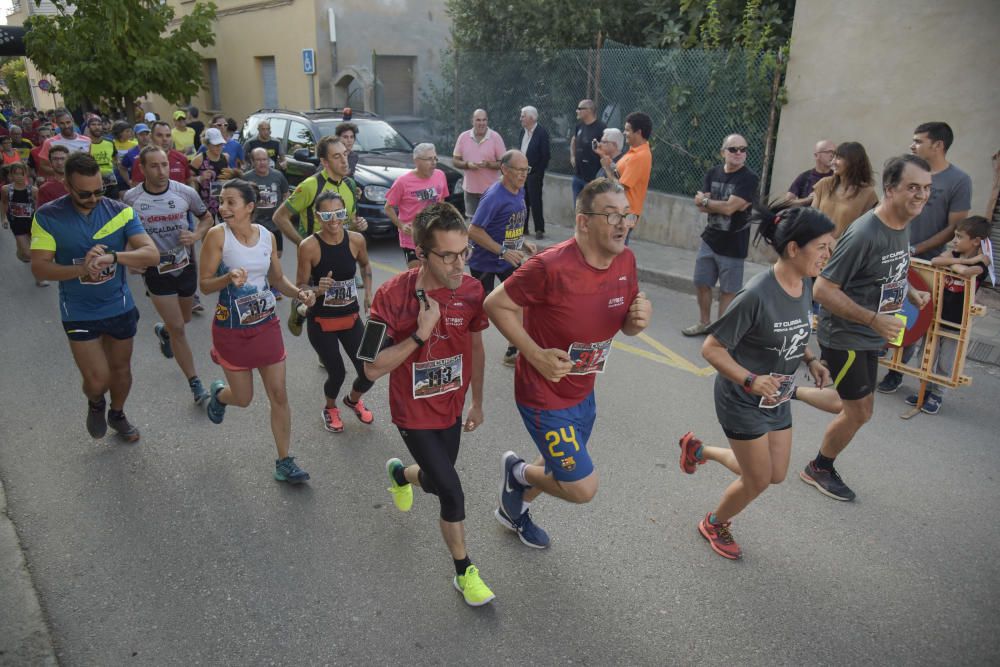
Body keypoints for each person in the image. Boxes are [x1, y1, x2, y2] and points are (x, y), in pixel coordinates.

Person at [484, 178, 651, 548]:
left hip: (583, 389)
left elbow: (625, 320)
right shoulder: (550, 266)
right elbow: (496, 304)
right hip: (543, 395)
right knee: (580, 486)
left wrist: (637, 321)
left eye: (627, 215)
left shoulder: (626, 259)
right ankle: (516, 471)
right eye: (611, 215)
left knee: (555, 466)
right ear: (583, 222)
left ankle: (514, 510)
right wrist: (535, 354)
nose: (622, 224)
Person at [678, 205, 836, 560]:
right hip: (741, 397)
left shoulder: (805, 282)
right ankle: (714, 522)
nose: (828, 254)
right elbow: (712, 348)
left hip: (774, 395)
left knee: (775, 473)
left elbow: (797, 331)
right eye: (823, 246)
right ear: (794, 249)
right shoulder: (756, 295)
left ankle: (699, 451)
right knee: (758, 479)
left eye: (831, 246)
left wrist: (811, 360)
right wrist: (750, 379)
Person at [365, 202, 494, 606]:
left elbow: (475, 345)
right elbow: (370, 369)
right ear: (421, 253)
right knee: (453, 494)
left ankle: (402, 475)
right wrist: (420, 334)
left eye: (464, 253)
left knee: (439, 483)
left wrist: (477, 401)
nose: (460, 265)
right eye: (449, 256)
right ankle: (464, 572)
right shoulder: (389, 297)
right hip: (412, 411)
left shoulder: (472, 291)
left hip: (451, 407)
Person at [803, 155, 933, 502]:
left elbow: (892, 267)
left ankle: (789, 394)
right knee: (859, 410)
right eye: (912, 188)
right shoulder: (864, 233)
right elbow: (822, 289)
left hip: (869, 333)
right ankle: (819, 467)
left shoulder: (903, 222)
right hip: (846, 336)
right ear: (890, 190)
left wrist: (910, 290)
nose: (921, 195)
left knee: (854, 405)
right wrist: (875, 319)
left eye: (926, 188)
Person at [29, 152, 159, 441]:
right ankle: (96, 402)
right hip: (78, 309)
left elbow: (151, 253)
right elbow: (40, 268)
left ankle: (118, 413)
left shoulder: (118, 210)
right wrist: (81, 269)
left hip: (119, 305)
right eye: (85, 193)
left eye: (99, 190)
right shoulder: (48, 216)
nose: (93, 198)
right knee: (98, 379)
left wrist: (114, 257)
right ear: (66, 185)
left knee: (121, 371)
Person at [199, 179, 317, 484]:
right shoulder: (216, 237)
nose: (223, 208)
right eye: (222, 202)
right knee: (244, 398)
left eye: (230, 202)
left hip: (265, 325)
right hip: (232, 329)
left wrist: (299, 293)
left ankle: (284, 461)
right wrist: (227, 279)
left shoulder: (267, 236)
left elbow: (277, 280)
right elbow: (204, 284)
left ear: (250, 207)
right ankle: (220, 397)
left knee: (278, 394)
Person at [878, 122, 973, 394]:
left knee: (927, 321)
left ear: (938, 145)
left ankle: (922, 383)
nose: (912, 145)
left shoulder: (959, 180)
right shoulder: (910, 172)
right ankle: (892, 365)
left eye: (918, 141)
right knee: (898, 314)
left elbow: (955, 227)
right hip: (901, 258)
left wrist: (917, 249)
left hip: (933, 265)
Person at [122, 146, 215, 404]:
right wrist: (131, 256)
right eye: (154, 166)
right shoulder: (131, 199)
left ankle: (164, 331)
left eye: (164, 164)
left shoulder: (184, 192)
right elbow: (124, 233)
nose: (161, 170)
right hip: (156, 269)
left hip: (184, 265)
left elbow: (207, 218)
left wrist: (196, 234)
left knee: (182, 320)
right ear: (142, 168)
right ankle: (195, 383)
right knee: (179, 328)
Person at [295, 191, 376, 432]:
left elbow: (365, 264)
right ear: (318, 216)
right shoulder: (308, 246)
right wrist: (316, 290)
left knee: (370, 370)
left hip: (351, 318)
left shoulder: (356, 240)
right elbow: (300, 287)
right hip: (321, 322)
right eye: (327, 214)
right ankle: (330, 407)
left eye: (339, 213)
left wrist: (368, 294)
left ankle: (352, 400)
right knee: (337, 372)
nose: (334, 220)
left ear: (345, 214)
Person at [906, 216, 992, 414]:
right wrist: (963, 261)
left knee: (946, 362)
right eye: (954, 235)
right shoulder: (953, 253)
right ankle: (924, 389)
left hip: (956, 321)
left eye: (959, 236)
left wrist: (961, 264)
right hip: (935, 317)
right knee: (925, 357)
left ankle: (937, 394)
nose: (954, 240)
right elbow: (936, 260)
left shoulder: (983, 263)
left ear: (976, 241)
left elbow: (968, 272)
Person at [683, 134, 759, 336]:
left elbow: (726, 208)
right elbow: (703, 207)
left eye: (743, 149)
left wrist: (709, 203)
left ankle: (720, 331)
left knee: (728, 290)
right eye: (733, 149)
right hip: (710, 239)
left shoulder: (749, 178)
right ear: (722, 152)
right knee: (701, 282)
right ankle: (704, 323)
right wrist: (719, 205)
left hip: (734, 244)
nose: (739, 153)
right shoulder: (712, 173)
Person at [467, 149, 535, 366]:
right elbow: (474, 230)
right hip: (486, 264)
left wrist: (522, 242)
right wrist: (503, 250)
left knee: (519, 303)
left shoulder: (519, 190)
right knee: (480, 313)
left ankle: (514, 349)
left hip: (509, 261)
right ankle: (451, 342)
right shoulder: (495, 196)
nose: (523, 174)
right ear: (504, 169)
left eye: (527, 170)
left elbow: (508, 223)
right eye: (519, 170)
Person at [273, 136, 367, 246]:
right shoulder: (310, 186)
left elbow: (349, 223)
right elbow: (279, 217)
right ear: (325, 162)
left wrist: (358, 226)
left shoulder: (350, 183)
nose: (344, 161)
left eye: (345, 154)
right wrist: (303, 244)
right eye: (337, 156)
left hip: (343, 252)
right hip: (316, 258)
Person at [384, 142, 449, 270]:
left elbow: (442, 199)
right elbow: (388, 207)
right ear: (417, 161)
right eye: (429, 159)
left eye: (435, 158)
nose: (434, 162)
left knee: (435, 273)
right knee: (417, 276)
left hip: (433, 234)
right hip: (412, 238)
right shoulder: (402, 182)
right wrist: (401, 225)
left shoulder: (440, 175)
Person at [810, 141, 878, 239]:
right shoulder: (824, 184)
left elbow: (867, 231)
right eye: (833, 157)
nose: (833, 162)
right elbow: (810, 217)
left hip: (845, 251)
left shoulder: (868, 194)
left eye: (838, 158)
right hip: (817, 248)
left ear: (852, 161)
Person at [452, 109, 505, 218]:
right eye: (478, 120)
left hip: (490, 192)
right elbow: (455, 161)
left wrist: (488, 165)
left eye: (484, 120)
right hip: (470, 191)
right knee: (473, 223)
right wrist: (467, 165)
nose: (481, 123)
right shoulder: (463, 137)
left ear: (487, 121)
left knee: (489, 223)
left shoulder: (496, 137)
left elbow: (504, 163)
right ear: (472, 121)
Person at [243, 147, 290, 262]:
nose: (262, 163)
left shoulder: (278, 176)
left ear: (269, 161)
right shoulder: (246, 177)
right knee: (257, 255)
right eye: (258, 160)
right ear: (253, 162)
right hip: (255, 224)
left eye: (264, 159)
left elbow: (286, 194)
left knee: (276, 255)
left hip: (275, 224)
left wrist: (284, 212)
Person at [606, 112, 653, 226]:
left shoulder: (639, 156)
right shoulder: (633, 151)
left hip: (625, 214)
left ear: (638, 132)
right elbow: (619, 174)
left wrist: (607, 169)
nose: (624, 133)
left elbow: (620, 188)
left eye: (627, 130)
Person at [1, 162, 44, 284]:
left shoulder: (33, 190)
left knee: (35, 251)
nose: (19, 177)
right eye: (16, 174)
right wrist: (3, 218)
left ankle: (38, 276)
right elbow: (3, 203)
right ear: (10, 175)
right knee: (27, 253)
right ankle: (39, 277)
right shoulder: (6, 189)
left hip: (32, 223)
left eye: (22, 174)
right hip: (16, 224)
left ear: (26, 174)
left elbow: (39, 207)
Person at [518, 106, 550, 240]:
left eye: (523, 116)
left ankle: (539, 228)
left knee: (535, 200)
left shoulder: (541, 133)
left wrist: (537, 172)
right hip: (522, 172)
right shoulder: (522, 132)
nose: (521, 119)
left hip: (534, 173)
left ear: (532, 118)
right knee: (522, 200)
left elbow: (546, 155)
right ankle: (523, 227)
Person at [189, 127, 232, 221]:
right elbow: (187, 178)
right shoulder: (199, 159)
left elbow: (229, 175)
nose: (219, 147)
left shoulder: (225, 157)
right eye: (215, 145)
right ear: (207, 144)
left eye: (220, 144)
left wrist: (229, 177)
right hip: (206, 201)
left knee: (225, 227)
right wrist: (200, 178)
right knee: (208, 229)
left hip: (222, 199)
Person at [133, 121, 192, 186]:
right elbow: (136, 189)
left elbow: (189, 182)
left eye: (168, 135)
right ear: (151, 137)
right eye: (159, 135)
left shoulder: (182, 158)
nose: (164, 139)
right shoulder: (141, 160)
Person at [569, 99, 606, 202]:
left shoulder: (601, 128)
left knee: (590, 213)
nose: (577, 111)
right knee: (578, 211)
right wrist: (572, 156)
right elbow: (574, 140)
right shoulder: (579, 126)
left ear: (589, 110)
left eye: (580, 108)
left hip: (592, 180)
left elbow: (606, 149)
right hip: (578, 177)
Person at [38, 109, 91, 178]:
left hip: (83, 181)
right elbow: (43, 166)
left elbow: (89, 162)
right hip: (61, 184)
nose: (66, 126)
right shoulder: (50, 142)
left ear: (73, 121)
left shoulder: (87, 140)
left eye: (68, 122)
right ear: (57, 124)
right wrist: (60, 174)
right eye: (62, 123)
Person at [784, 140, 836, 207]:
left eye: (834, 153)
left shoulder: (838, 177)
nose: (832, 155)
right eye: (828, 152)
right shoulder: (805, 177)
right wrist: (808, 200)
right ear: (816, 155)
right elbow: (786, 203)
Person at [85, 115, 119, 199]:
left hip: (111, 182)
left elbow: (115, 158)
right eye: (93, 124)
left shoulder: (110, 142)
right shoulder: (84, 143)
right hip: (92, 182)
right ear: (88, 127)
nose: (97, 127)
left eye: (99, 124)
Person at [119, 123, 151, 188]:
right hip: (139, 189)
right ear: (136, 136)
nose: (144, 137)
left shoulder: (156, 150)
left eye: (146, 134)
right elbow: (122, 168)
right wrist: (128, 181)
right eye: (141, 134)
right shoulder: (131, 153)